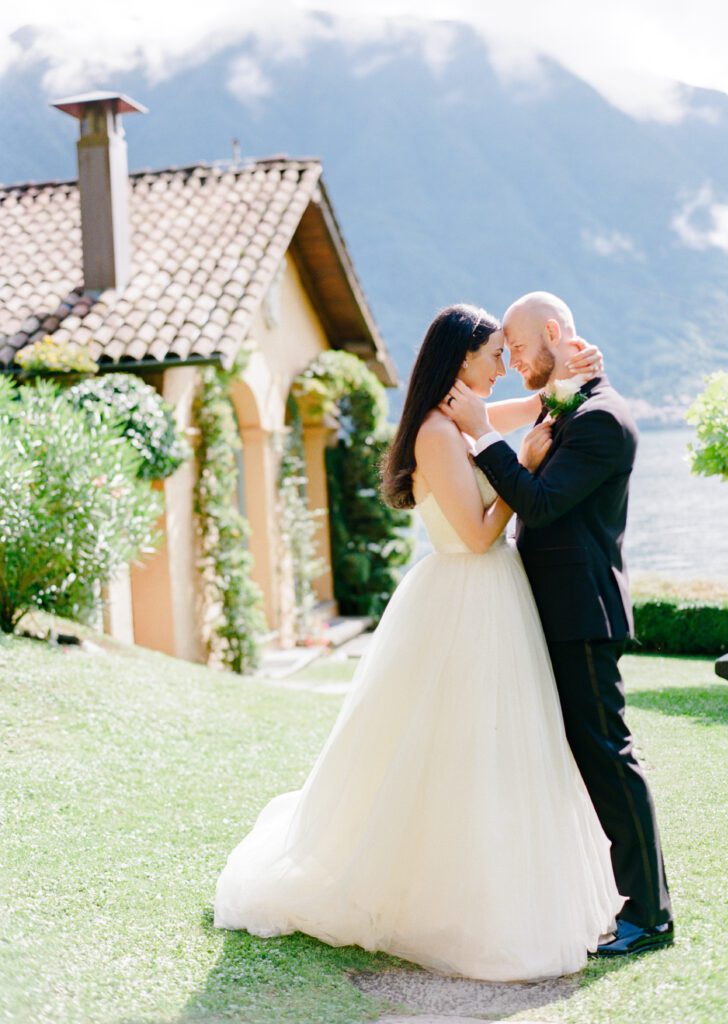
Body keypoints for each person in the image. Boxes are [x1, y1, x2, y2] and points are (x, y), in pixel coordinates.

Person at [213, 304, 623, 982]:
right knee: (450, 756)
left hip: (493, 598)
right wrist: (520, 469)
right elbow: (475, 534)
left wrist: (570, 380)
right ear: (461, 359)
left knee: (494, 753)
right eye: (494, 354)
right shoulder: (439, 432)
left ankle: (498, 882)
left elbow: (528, 409)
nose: (502, 366)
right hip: (464, 598)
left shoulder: (463, 419)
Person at [441, 291, 674, 957]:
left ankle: (649, 914)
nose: (511, 362)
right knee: (581, 757)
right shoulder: (573, 400)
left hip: (581, 614)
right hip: (555, 611)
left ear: (550, 332)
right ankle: (607, 897)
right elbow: (541, 418)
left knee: (607, 757)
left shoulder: (600, 419)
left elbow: (538, 503)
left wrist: (485, 439)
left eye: (515, 347)